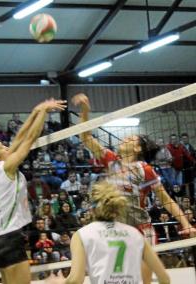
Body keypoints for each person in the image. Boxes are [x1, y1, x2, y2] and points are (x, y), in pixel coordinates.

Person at [71, 93, 196, 284]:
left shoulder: (145, 170)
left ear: (138, 149)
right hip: (113, 229)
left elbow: (166, 200)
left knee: (143, 278)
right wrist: (85, 111)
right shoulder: (111, 161)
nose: (124, 139)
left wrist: (185, 223)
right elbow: (86, 137)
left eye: (130, 139)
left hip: (139, 228)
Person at [0, 99, 66, 284]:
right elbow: (30, 139)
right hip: (10, 239)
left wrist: (34, 111)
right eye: (2, 147)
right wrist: (44, 113)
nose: (7, 147)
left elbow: (18, 139)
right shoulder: (6, 167)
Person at [46, 181, 170, 284]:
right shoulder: (135, 234)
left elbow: (76, 280)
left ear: (92, 208)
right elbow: (164, 278)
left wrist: (58, 282)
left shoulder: (82, 235)